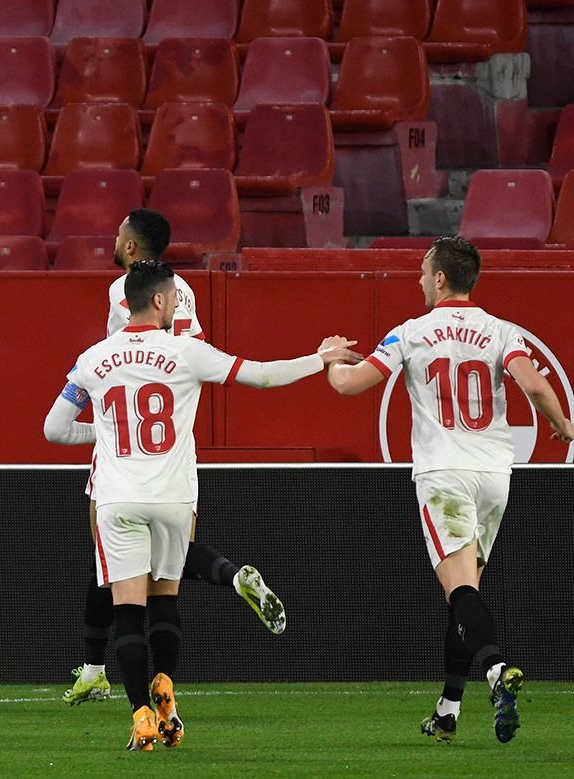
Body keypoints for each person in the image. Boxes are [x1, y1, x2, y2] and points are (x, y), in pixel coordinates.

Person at [45, 260, 362, 750]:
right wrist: (319, 359)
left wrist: (107, 433)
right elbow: (262, 376)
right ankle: (167, 688)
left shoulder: (93, 359)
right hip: (174, 497)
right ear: (158, 300)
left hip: (117, 497)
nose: (178, 304)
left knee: (127, 610)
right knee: (164, 601)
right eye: (175, 297)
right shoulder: (188, 352)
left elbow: (55, 428)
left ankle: (141, 717)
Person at [326, 236, 574, 744]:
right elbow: (534, 386)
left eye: (423, 272)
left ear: (440, 278)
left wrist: (329, 359)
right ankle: (448, 710)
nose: (420, 279)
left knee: (460, 591)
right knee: (465, 593)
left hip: (445, 476)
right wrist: (563, 424)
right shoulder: (501, 331)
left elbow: (349, 385)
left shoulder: (410, 333)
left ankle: (497, 670)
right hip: (495, 476)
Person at [61, 210, 288, 708]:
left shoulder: (124, 292)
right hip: (174, 444)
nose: (113, 238)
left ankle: (99, 673)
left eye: (119, 233)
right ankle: (230, 576)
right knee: (170, 563)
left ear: (132, 248)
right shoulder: (185, 291)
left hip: (123, 444)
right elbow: (196, 354)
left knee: (112, 560)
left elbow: (120, 358)